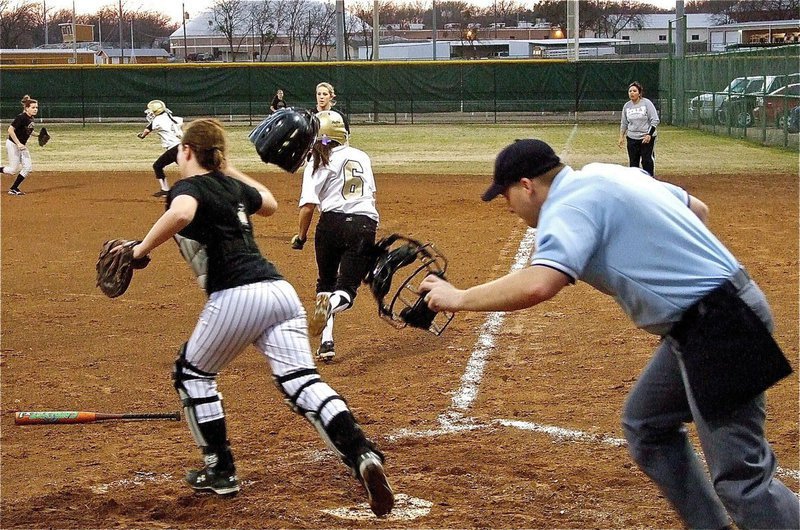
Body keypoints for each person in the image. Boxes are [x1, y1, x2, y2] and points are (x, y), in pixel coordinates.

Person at [420, 139, 799, 530]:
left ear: (527, 185)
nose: (509, 206)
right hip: (710, 317)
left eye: (507, 195)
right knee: (647, 424)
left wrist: (459, 298)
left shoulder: (564, 208)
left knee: (742, 482)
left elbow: (539, 283)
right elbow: (697, 210)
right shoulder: (607, 172)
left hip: (718, 326)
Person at [128, 118, 393, 517]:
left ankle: (220, 470)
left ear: (185, 152)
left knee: (192, 373)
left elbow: (181, 214)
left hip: (236, 293)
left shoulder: (186, 188)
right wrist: (227, 167)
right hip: (279, 292)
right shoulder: (232, 185)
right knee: (301, 381)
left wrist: (140, 250)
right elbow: (268, 203)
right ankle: (361, 454)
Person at [291, 110, 378, 362]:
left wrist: (301, 237)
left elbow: (307, 206)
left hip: (329, 224)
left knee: (325, 284)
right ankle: (331, 311)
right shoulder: (361, 156)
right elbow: (369, 194)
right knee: (346, 291)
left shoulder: (315, 161)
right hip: (363, 223)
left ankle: (327, 341)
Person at [137, 99, 184, 197]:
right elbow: (180, 122)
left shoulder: (157, 120)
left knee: (157, 166)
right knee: (187, 168)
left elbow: (148, 129)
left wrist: (142, 136)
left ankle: (165, 189)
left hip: (174, 147)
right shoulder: (169, 116)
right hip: (182, 145)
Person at [618, 81, 659, 176]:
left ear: (639, 93)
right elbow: (624, 123)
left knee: (646, 161)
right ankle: (635, 183)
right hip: (632, 138)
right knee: (633, 163)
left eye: (634, 91)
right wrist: (621, 137)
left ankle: (649, 180)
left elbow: (655, 120)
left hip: (646, 138)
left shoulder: (646, 103)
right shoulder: (627, 106)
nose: (632, 93)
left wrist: (649, 134)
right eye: (630, 91)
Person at [1, 95, 39, 196]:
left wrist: (39, 135)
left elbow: (29, 131)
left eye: (36, 107)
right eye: (33, 107)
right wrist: (18, 143)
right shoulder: (21, 117)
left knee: (28, 167)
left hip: (22, 146)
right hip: (13, 144)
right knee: (13, 170)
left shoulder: (30, 118)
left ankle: (14, 188)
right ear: (27, 108)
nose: (35, 109)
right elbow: (10, 130)